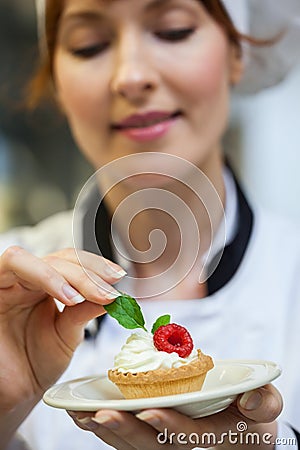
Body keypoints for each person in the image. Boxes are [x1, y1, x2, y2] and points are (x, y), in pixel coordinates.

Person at [1, 0, 300, 449]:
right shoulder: (8, 290)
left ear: (238, 53)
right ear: (57, 83)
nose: (130, 76)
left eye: (174, 30)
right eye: (90, 45)